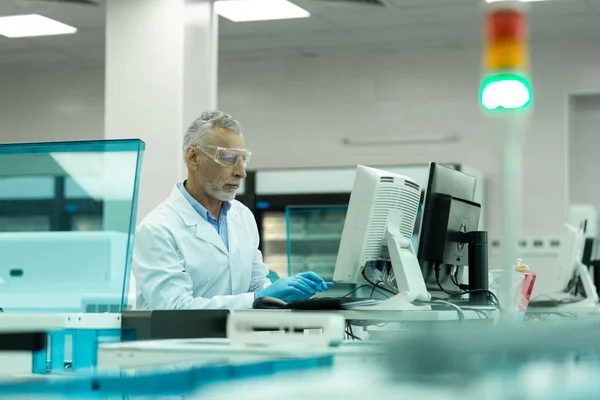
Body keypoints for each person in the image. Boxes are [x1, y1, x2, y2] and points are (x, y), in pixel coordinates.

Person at [132, 111, 333, 310]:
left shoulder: (242, 215)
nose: (241, 172)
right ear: (193, 157)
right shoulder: (157, 229)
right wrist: (258, 298)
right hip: (177, 342)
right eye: (228, 158)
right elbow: (173, 309)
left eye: (243, 159)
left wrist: (284, 293)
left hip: (236, 339)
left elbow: (256, 285)